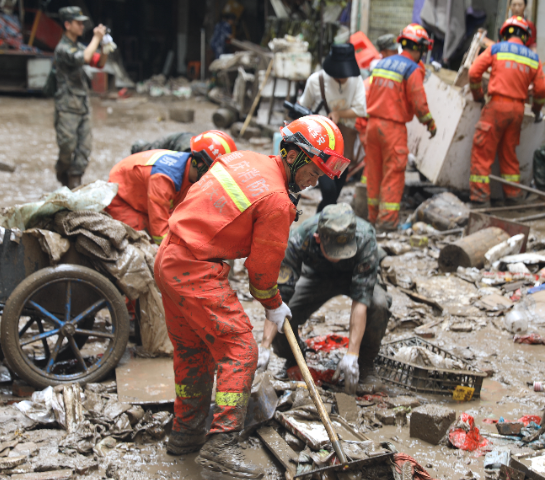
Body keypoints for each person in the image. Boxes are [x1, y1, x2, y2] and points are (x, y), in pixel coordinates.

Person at [154, 115, 349, 478]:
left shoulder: (244, 159)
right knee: (241, 349)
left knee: (193, 353)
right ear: (293, 156)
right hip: (196, 268)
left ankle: (186, 434)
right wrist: (274, 306)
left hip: (169, 257)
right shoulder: (277, 200)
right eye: (314, 171)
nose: (315, 181)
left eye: (321, 175)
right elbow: (260, 276)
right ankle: (221, 444)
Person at [257, 203, 390, 394]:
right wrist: (264, 346)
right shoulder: (299, 238)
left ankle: (365, 365)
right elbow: (279, 297)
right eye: (334, 250)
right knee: (283, 314)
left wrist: (352, 354)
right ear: (318, 238)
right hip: (316, 276)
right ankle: (294, 357)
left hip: (355, 275)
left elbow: (361, 300)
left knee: (379, 304)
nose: (339, 256)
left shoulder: (365, 238)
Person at [467, 16, 545, 208]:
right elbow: (542, 89)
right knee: (509, 153)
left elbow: (473, 73)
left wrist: (478, 96)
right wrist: (536, 110)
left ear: (504, 33)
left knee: (482, 152)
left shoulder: (495, 49)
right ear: (525, 36)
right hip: (517, 111)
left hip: (496, 107)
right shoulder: (533, 58)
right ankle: (513, 196)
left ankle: (480, 200)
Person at [105, 131, 237, 244]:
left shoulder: (191, 169)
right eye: (214, 172)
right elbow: (159, 233)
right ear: (198, 162)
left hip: (146, 191)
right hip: (121, 198)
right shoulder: (163, 179)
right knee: (142, 241)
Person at [365, 23, 436, 231]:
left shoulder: (381, 64)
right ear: (420, 48)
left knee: (374, 172)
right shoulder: (411, 69)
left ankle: (373, 217)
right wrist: (430, 123)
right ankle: (387, 222)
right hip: (392, 129)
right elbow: (419, 102)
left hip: (372, 125)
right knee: (393, 173)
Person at [298, 43, 366, 212]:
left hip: (344, 142)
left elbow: (361, 109)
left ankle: (322, 223)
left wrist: (338, 113)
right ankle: (322, 224)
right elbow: (302, 107)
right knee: (328, 190)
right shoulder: (316, 81)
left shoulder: (356, 80)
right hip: (320, 142)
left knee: (335, 190)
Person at [54, 7, 110, 189]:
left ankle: (75, 180)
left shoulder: (79, 46)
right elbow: (85, 57)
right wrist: (96, 38)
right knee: (67, 147)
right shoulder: (62, 49)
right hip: (67, 106)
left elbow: (99, 63)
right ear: (67, 25)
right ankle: (62, 174)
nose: (82, 26)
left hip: (83, 106)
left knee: (84, 148)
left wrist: (105, 47)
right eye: (78, 23)